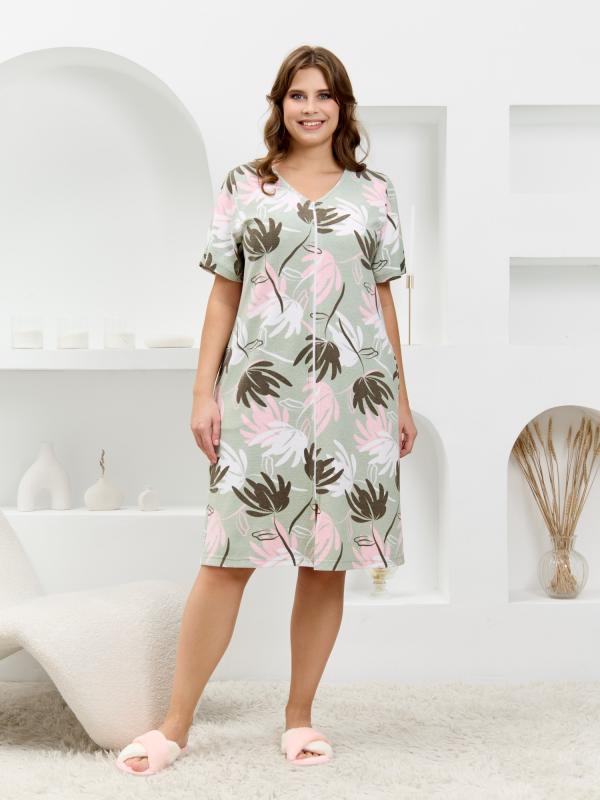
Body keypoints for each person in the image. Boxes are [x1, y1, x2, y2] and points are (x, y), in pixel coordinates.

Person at [116, 43, 417, 776]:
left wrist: (402, 399)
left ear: (343, 107)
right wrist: (203, 391)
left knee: (327, 564)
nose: (310, 107)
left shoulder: (376, 192)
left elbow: (382, 300)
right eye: (297, 95)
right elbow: (224, 291)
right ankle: (174, 725)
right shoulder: (245, 185)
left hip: (356, 400)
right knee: (226, 559)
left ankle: (299, 717)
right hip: (262, 398)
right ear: (279, 105)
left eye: (324, 95)